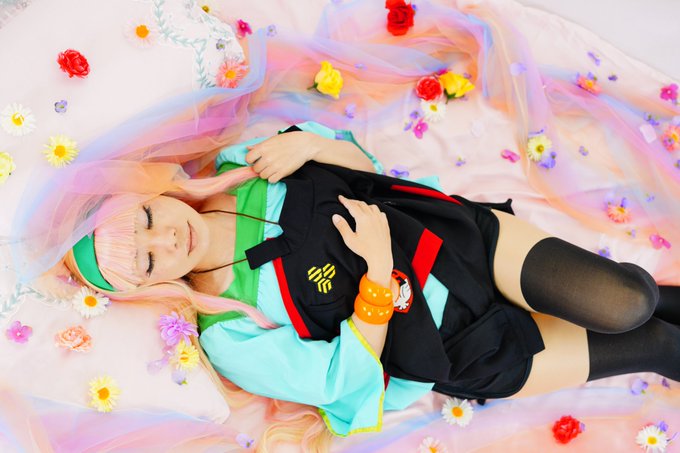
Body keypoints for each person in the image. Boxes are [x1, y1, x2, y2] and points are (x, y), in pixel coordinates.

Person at [55, 120, 680, 446]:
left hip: (454, 245)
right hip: (458, 346)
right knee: (659, 342)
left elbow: (368, 173)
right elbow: (342, 380)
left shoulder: (242, 166)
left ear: (153, 196)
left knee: (631, 302)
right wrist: (378, 272)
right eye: (147, 261)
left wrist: (312, 148)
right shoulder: (227, 333)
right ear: (151, 288)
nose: (167, 240)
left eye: (146, 220)